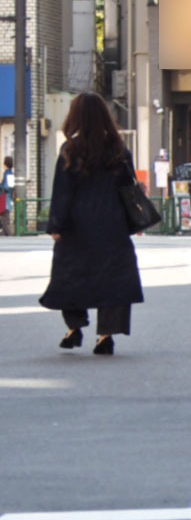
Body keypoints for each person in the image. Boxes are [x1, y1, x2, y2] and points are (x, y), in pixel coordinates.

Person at [38, 92, 144, 356]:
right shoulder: (119, 149)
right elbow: (128, 188)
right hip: (112, 223)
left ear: (76, 117)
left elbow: (62, 192)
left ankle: (74, 328)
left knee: (70, 276)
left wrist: (56, 226)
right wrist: (132, 222)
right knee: (114, 279)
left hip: (77, 226)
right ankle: (105, 336)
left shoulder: (70, 149)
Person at [1, 156, 14, 236]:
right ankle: (5, 233)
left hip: (6, 199)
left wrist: (0, 185)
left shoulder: (8, 174)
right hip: (8, 199)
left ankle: (9, 233)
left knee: (5, 217)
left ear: (5, 164)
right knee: (5, 217)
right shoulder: (10, 173)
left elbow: (7, 187)